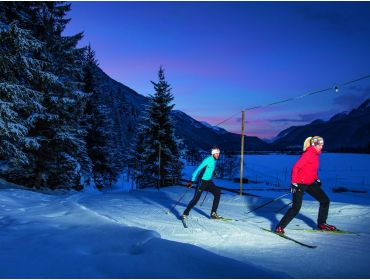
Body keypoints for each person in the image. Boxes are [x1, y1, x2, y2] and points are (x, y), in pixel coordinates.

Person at [275, 136, 336, 234]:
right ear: (314, 145)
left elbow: (311, 169)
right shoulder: (308, 154)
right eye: (320, 145)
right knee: (296, 208)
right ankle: (280, 227)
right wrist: (294, 183)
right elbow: (296, 168)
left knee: (325, 200)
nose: (322, 147)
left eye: (322, 145)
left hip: (310, 183)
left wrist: (316, 178)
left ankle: (322, 223)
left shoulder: (316, 155)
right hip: (299, 184)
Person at [182, 147, 223, 220]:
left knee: (217, 192)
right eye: (216, 153)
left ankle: (213, 213)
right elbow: (197, 170)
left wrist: (214, 172)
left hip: (209, 181)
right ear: (213, 153)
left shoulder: (214, 160)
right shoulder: (207, 160)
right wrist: (191, 181)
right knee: (195, 199)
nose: (218, 155)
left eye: (218, 153)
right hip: (202, 182)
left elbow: (210, 168)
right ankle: (185, 213)